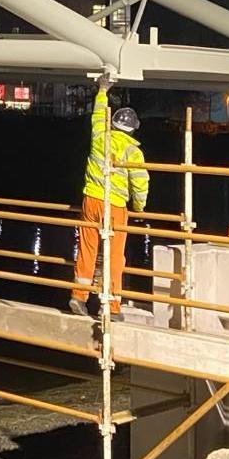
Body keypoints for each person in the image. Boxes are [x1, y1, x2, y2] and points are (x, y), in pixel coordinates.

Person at [70, 78, 148, 319]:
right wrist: (140, 206)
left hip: (91, 200)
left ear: (113, 124)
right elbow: (140, 183)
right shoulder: (133, 151)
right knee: (115, 256)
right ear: (133, 129)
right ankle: (111, 307)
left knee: (87, 249)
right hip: (114, 206)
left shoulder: (99, 136)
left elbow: (97, 115)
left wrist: (103, 90)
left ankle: (79, 297)